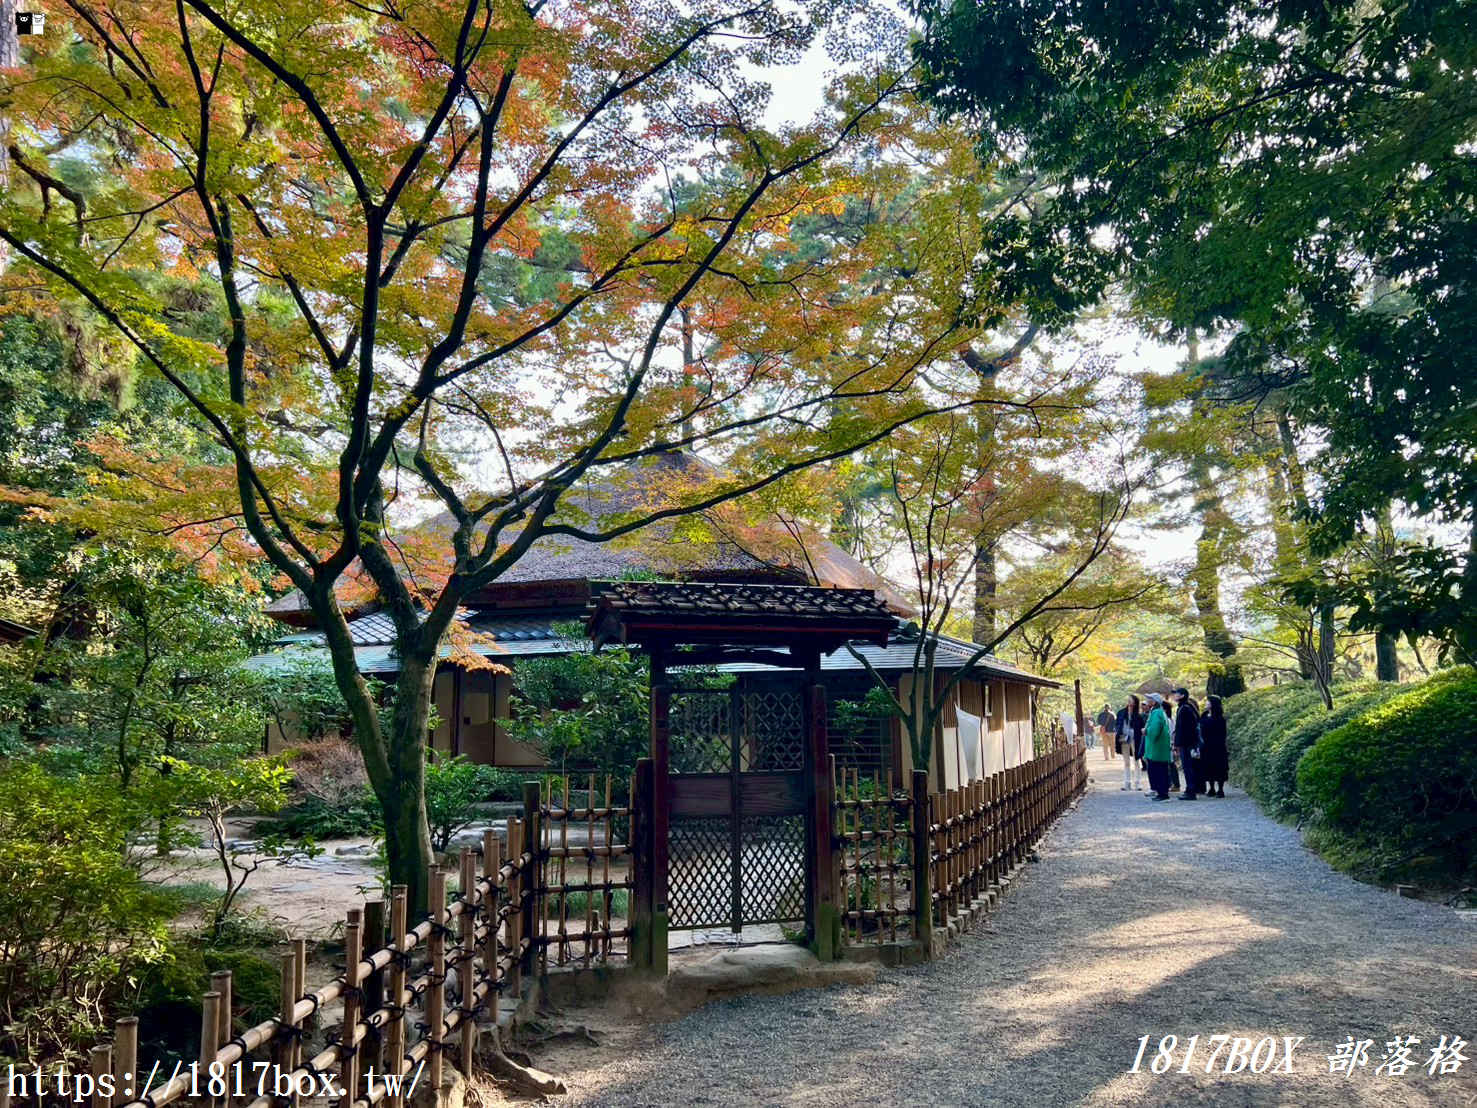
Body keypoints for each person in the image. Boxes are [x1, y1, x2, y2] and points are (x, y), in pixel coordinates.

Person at [1171, 686, 1202, 800]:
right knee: (1187, 767)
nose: (1174, 695)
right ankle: (1190, 790)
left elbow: (1185, 728)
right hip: (1186, 742)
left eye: (1176, 694)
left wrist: (1178, 743)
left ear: (1182, 695)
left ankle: (1191, 791)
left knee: (1188, 767)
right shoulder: (1185, 707)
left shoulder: (1185, 708)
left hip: (1187, 743)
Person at [1142, 693, 1173, 800]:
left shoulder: (1156, 713)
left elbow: (1154, 730)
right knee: (1161, 770)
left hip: (1157, 748)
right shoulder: (1159, 712)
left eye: (1149, 699)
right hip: (1159, 747)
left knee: (1159, 770)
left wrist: (1145, 731)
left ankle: (1162, 794)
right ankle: (1162, 793)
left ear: (1154, 702)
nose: (1146, 700)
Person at [1200, 695, 1229, 798]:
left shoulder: (1220, 718)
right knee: (1208, 767)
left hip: (1217, 746)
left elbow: (1222, 734)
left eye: (1208, 702)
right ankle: (1211, 788)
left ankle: (1220, 789)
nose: (1206, 704)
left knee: (1219, 767)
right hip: (1206, 746)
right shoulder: (1204, 715)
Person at [1116, 695, 1144, 791]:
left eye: (1130, 700)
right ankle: (1127, 783)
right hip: (1124, 738)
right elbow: (1117, 725)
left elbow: (1141, 728)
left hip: (1135, 739)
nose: (1129, 701)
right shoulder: (1121, 713)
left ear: (1135, 702)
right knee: (1126, 762)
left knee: (1136, 760)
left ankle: (1138, 783)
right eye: (1128, 700)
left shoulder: (1138, 715)